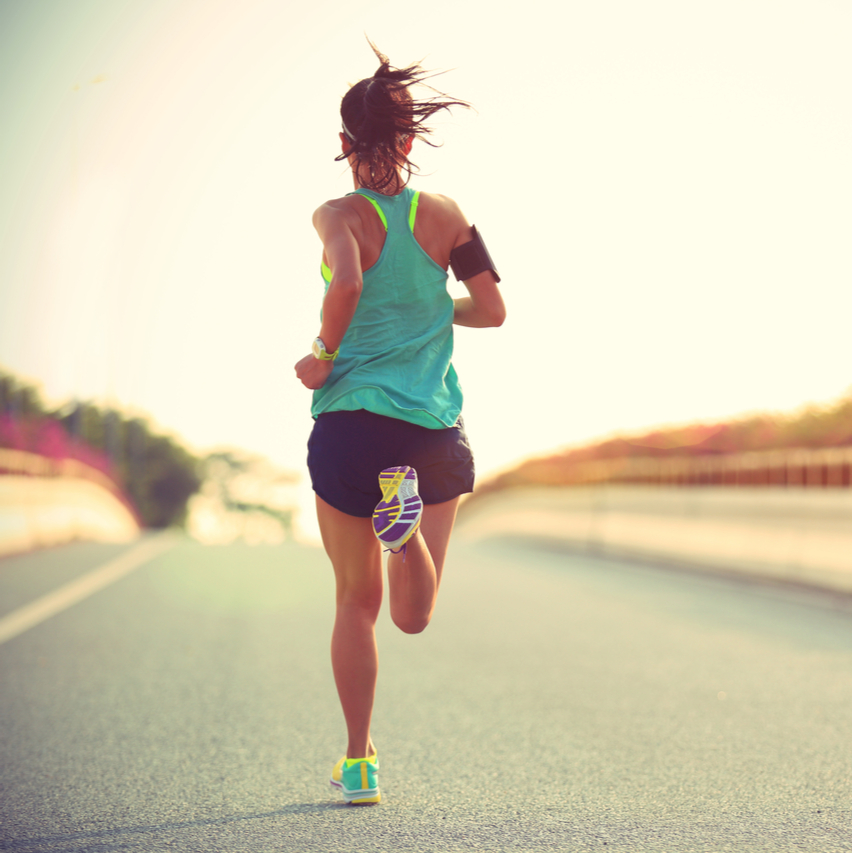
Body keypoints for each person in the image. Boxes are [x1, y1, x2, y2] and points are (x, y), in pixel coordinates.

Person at [294, 45, 505, 806]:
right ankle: (405, 530)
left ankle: (358, 761)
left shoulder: (336, 214)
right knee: (414, 615)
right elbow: (493, 310)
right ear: (412, 142)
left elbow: (347, 279)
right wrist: (430, 308)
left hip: (352, 425)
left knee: (356, 603)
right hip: (430, 433)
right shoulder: (446, 216)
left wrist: (323, 353)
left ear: (345, 145)